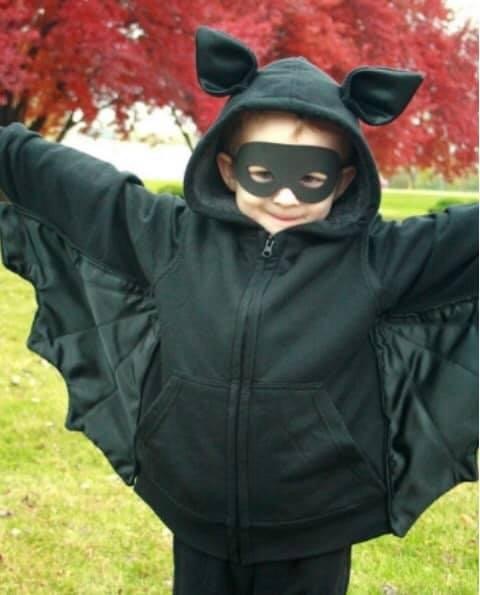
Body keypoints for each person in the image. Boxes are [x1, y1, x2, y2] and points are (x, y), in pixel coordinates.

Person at [0, 25, 477, 595]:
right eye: (263, 172)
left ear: (344, 179)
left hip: (311, 523)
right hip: (195, 511)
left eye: (311, 178)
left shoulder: (378, 260)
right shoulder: (169, 240)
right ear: (227, 168)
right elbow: (73, 187)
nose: (285, 197)